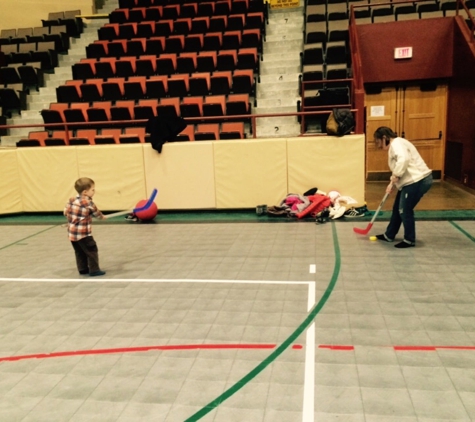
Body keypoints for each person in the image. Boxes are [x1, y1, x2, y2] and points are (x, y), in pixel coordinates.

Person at [373, 127, 433, 248]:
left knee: (404, 209)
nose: (379, 146)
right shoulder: (396, 145)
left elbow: (403, 160)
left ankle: (409, 239)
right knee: (397, 208)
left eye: (378, 142)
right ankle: (389, 235)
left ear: (385, 138)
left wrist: (396, 176)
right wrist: (393, 182)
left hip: (418, 180)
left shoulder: (397, 143)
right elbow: (400, 167)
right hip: (409, 182)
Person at [64, 177, 106, 276]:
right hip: (84, 234)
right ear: (85, 192)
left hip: (72, 234)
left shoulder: (71, 200)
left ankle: (82, 269)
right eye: (92, 189)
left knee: (79, 251)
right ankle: (94, 270)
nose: (94, 191)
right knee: (91, 250)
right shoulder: (88, 203)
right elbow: (97, 213)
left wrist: (72, 219)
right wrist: (102, 217)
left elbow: (66, 212)